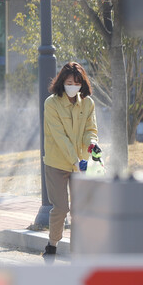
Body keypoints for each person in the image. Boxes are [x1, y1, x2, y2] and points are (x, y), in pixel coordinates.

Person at [42, 61, 99, 258]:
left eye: (77, 83)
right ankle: (52, 244)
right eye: (69, 82)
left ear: (82, 84)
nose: (73, 87)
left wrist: (92, 145)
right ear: (61, 82)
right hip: (57, 163)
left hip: (81, 165)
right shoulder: (51, 103)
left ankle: (77, 253)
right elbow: (59, 137)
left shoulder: (88, 103)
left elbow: (90, 130)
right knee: (61, 208)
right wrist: (75, 160)